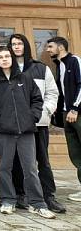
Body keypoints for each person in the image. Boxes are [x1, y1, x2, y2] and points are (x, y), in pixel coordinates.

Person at [0, 46, 55, 219]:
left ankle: (37, 203)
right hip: (4, 132)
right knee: (5, 168)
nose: (4, 59)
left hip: (26, 131)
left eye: (7, 56)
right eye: (0, 57)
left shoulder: (25, 77)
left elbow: (37, 99)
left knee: (30, 168)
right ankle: (8, 200)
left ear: (12, 58)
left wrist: (33, 116)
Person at [9, 34, 64, 213]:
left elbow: (52, 93)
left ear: (26, 46)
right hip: (16, 124)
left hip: (38, 123)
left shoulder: (40, 68)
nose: (17, 47)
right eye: (13, 44)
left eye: (20, 43)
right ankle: (21, 194)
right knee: (18, 161)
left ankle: (48, 196)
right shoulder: (7, 68)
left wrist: (45, 111)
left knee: (43, 160)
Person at [46, 36, 81, 202]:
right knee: (76, 153)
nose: (48, 50)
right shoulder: (59, 65)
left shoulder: (75, 61)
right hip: (67, 115)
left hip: (77, 114)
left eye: (50, 47)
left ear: (60, 47)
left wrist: (75, 108)